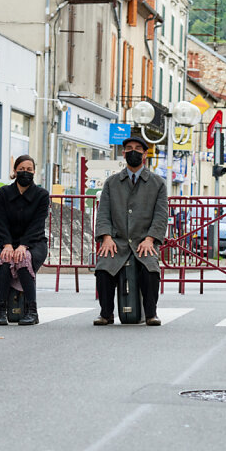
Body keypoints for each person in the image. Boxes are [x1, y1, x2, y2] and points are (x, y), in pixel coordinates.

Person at [93, 134, 168, 326]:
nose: (132, 151)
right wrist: (106, 238)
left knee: (150, 268)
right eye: (128, 148)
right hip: (117, 241)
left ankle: (151, 313)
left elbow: (161, 216)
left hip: (144, 241)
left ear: (144, 154)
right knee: (103, 267)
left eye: (137, 148)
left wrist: (151, 239)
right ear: (123, 153)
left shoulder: (157, 183)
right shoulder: (112, 182)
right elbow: (103, 214)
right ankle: (106, 313)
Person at [0, 155, 49, 326]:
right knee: (5, 259)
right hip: (8, 241)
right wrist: (8, 244)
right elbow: (0, 222)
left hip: (35, 243)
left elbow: (38, 225)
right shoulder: (3, 193)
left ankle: (32, 311)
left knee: (23, 258)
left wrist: (23, 246)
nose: (25, 173)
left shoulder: (41, 195)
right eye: (22, 169)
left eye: (29, 170)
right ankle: (0, 310)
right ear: (15, 171)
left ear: (34, 172)